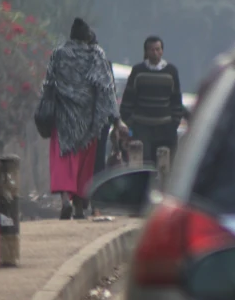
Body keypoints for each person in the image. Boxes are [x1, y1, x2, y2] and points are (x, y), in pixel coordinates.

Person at [45, 18, 125, 220]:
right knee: (85, 163)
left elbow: (48, 84)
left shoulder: (58, 54)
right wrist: (116, 119)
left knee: (65, 160)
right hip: (89, 121)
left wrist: (46, 109)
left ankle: (65, 200)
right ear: (88, 36)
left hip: (64, 119)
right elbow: (107, 89)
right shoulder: (96, 55)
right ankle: (80, 206)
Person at [120, 35, 183, 164]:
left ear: (162, 51)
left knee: (164, 166)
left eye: (158, 49)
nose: (155, 53)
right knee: (142, 165)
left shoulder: (171, 72)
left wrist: (174, 124)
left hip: (165, 129)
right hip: (142, 129)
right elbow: (127, 101)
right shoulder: (138, 71)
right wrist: (132, 124)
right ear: (146, 52)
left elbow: (176, 101)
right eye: (152, 50)